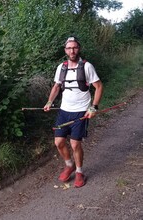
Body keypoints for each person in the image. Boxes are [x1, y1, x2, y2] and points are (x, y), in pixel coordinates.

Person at [44, 36, 103, 188]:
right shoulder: (61, 67)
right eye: (69, 48)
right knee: (59, 142)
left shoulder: (87, 66)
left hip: (80, 112)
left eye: (75, 47)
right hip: (64, 111)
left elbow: (99, 87)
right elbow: (56, 87)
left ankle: (79, 172)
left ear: (79, 49)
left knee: (75, 144)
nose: (72, 50)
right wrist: (49, 102)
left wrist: (93, 107)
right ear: (65, 50)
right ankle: (69, 165)